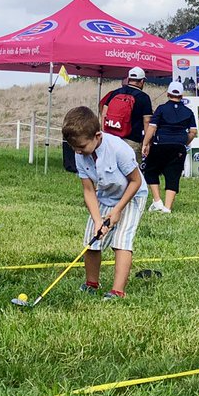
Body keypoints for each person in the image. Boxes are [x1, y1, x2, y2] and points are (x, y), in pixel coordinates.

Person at [62, 105, 147, 300]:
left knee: (121, 241)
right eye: (74, 147)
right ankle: (92, 283)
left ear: (98, 136)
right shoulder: (80, 153)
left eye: (81, 146)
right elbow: (88, 189)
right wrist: (97, 219)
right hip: (106, 195)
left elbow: (136, 181)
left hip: (132, 195)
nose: (77, 151)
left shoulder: (118, 149)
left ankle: (117, 291)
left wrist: (117, 211)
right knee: (92, 240)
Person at [141, 81, 198, 213]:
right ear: (182, 96)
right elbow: (193, 132)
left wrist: (145, 143)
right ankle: (167, 207)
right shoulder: (188, 112)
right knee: (173, 175)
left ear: (167, 94)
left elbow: (152, 127)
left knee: (151, 171)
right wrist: (184, 142)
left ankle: (157, 201)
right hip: (178, 147)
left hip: (160, 145)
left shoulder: (161, 109)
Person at [99, 66, 152, 159]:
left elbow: (104, 114)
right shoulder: (144, 97)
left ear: (128, 79)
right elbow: (147, 121)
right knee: (132, 170)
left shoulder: (115, 93)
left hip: (112, 138)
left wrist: (105, 133)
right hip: (132, 141)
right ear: (142, 81)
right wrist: (146, 143)